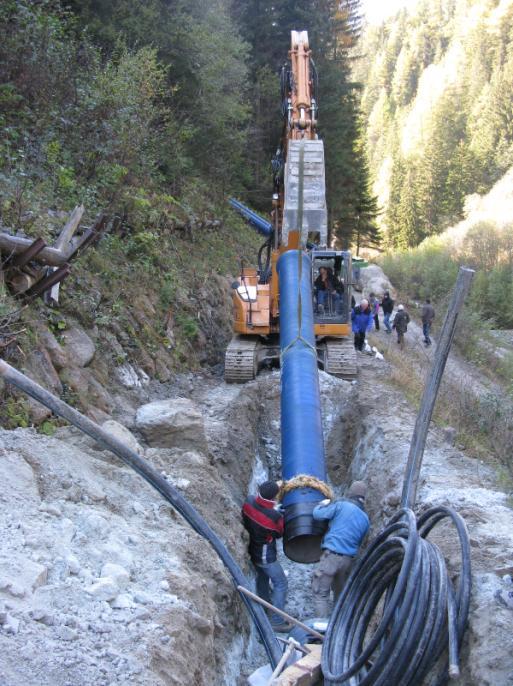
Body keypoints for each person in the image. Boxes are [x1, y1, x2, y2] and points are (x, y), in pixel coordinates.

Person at [311, 481, 369, 618]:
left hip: (331, 557)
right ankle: (338, 628)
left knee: (321, 593)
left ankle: (321, 631)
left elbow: (318, 515)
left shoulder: (341, 506)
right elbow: (360, 541)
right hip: (348, 561)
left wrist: (321, 505)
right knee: (340, 596)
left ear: (351, 493)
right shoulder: (365, 519)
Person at [242, 481, 291, 632]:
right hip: (265, 556)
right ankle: (276, 621)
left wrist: (274, 510)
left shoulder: (249, 501)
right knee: (281, 583)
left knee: (262, 579)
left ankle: (265, 606)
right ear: (274, 497)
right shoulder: (274, 517)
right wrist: (280, 515)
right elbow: (278, 533)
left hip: (252, 550)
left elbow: (260, 510)